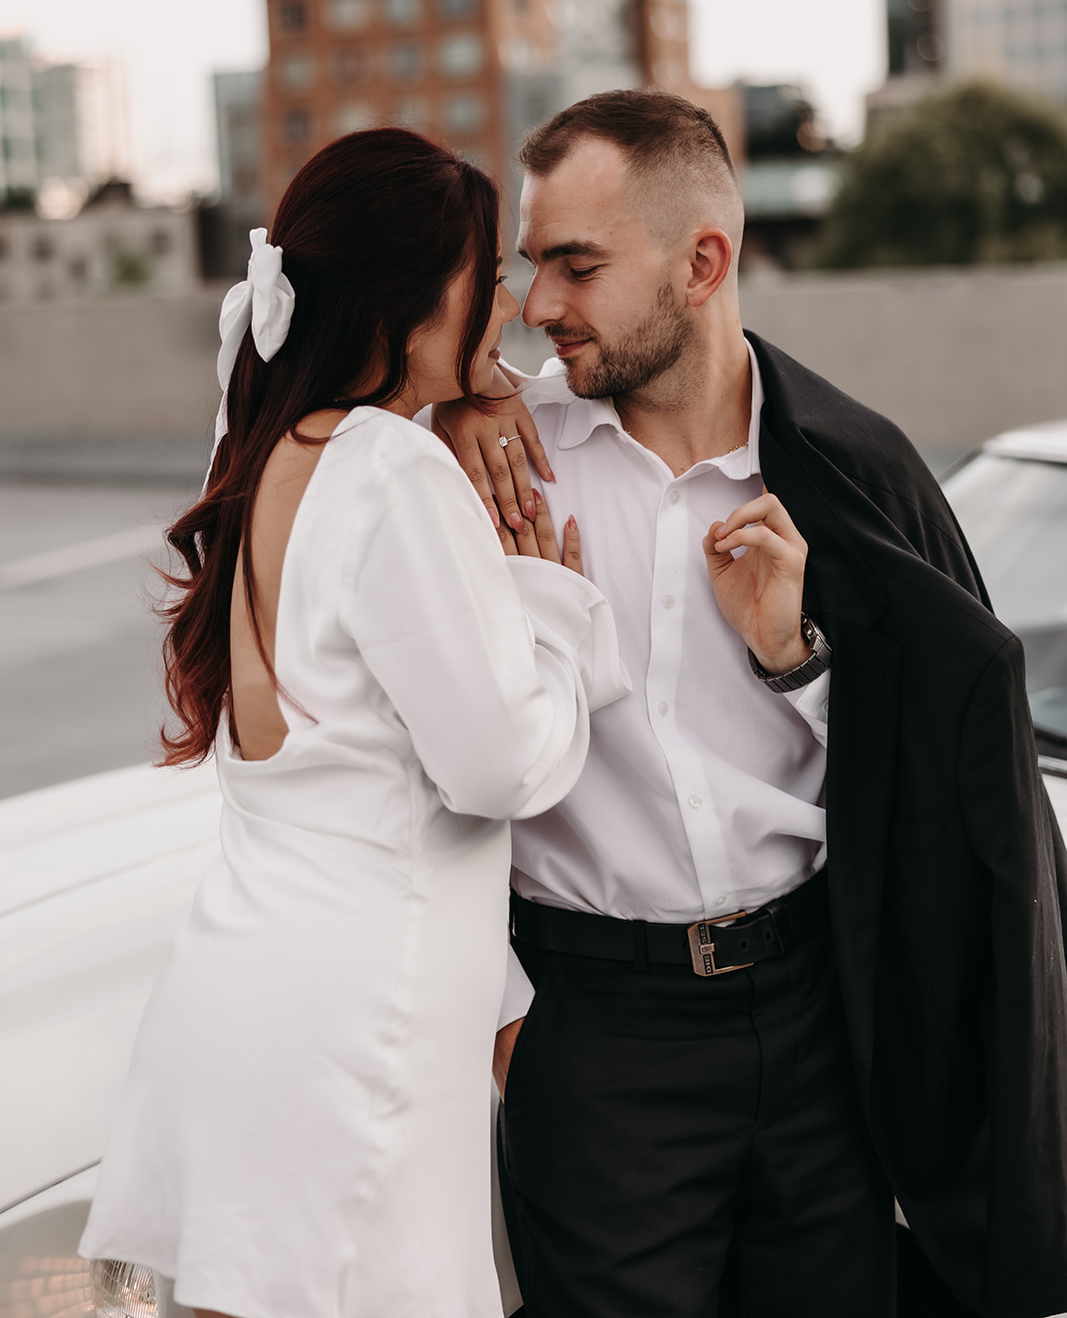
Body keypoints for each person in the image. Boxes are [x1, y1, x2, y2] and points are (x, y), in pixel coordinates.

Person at [433, 89, 1067, 1318]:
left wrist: (793, 656)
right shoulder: (495, 462)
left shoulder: (851, 467)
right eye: (531, 266)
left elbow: (932, 766)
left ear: (701, 263)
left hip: (817, 1019)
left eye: (576, 264)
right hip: (594, 1037)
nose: (536, 305)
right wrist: (517, 1031)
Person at [78, 127, 630, 1318]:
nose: (509, 312)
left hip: (239, 993)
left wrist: (453, 393)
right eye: (487, 280)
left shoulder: (269, 447)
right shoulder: (387, 470)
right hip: (352, 1031)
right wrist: (553, 613)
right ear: (414, 292)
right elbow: (497, 766)